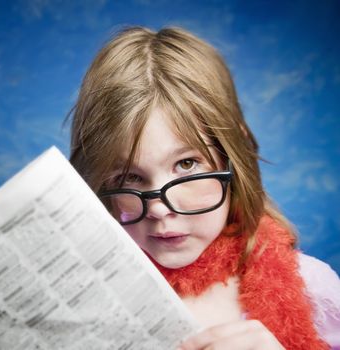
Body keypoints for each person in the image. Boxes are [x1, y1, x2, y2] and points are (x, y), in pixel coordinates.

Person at [68, 26, 340, 349]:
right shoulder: (82, 300)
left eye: (186, 164)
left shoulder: (315, 290)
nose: (158, 209)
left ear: (232, 156)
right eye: (129, 176)